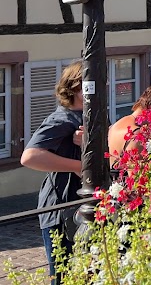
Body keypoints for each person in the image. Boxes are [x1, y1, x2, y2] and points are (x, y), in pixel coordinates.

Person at [21, 62, 84, 283]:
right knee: (63, 277)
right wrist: (78, 167)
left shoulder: (90, 117)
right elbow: (29, 156)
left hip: (82, 206)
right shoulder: (62, 119)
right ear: (75, 88)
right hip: (60, 209)